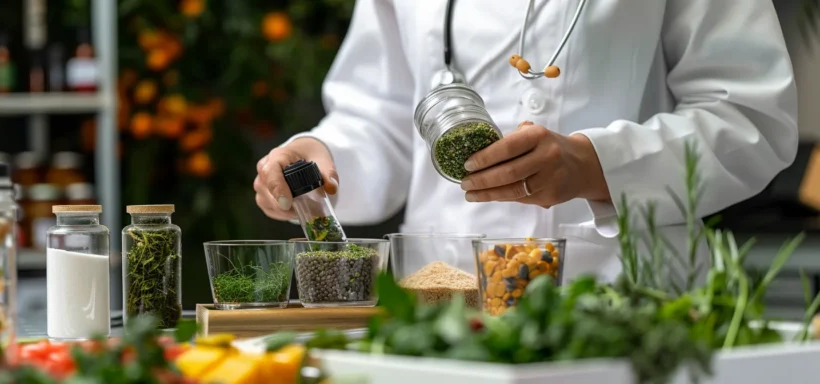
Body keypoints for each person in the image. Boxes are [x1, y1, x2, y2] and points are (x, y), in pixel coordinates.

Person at [253, 0, 798, 282]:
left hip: (619, 297)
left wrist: (597, 165)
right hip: (440, 294)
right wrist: (325, 160)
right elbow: (387, 115)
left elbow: (750, 114)